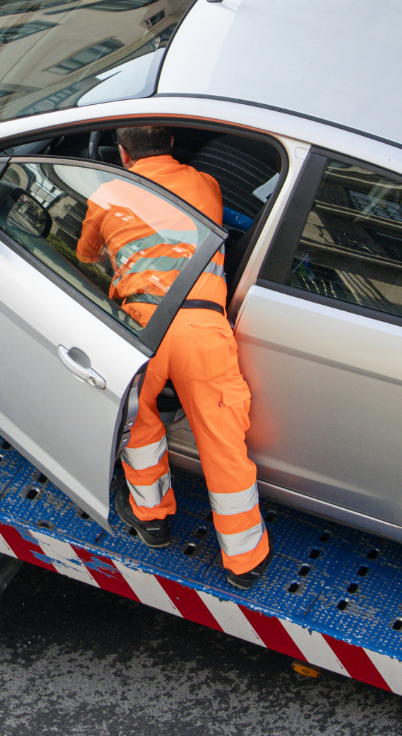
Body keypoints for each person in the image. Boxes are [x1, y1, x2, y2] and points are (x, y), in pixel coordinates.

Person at [75, 125, 271, 589]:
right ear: (170, 146)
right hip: (203, 327)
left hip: (141, 327)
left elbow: (85, 255)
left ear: (123, 154)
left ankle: (152, 519)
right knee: (222, 441)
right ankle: (245, 561)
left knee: (137, 423)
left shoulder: (107, 194)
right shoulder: (207, 184)